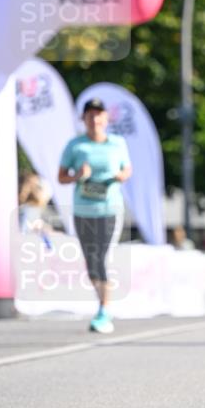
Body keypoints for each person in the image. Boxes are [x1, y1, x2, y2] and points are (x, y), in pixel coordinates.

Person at [58, 98, 132, 334]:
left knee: (103, 257)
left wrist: (121, 175)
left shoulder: (117, 143)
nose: (95, 119)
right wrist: (78, 175)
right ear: (84, 119)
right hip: (83, 210)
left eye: (99, 114)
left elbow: (127, 168)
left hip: (109, 209)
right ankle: (101, 303)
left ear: (106, 118)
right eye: (90, 115)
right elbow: (61, 177)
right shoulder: (75, 145)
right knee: (91, 260)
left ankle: (104, 309)